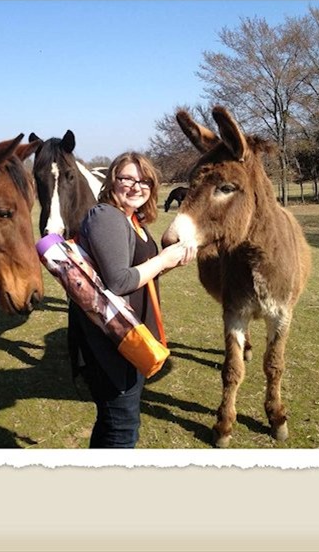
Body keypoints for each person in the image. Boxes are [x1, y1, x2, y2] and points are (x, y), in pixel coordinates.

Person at [68, 152, 196, 448]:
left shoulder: (132, 219)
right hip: (110, 341)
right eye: (127, 178)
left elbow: (139, 273)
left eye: (145, 181)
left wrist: (172, 261)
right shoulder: (107, 217)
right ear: (112, 181)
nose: (137, 187)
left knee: (114, 423)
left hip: (128, 332)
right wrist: (163, 259)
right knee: (121, 427)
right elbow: (119, 281)